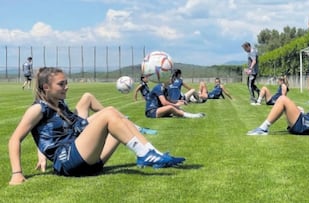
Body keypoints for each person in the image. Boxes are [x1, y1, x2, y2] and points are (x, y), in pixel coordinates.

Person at [8, 67, 185, 185]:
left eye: (66, 83)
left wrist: (42, 154)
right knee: (108, 114)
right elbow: (15, 139)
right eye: (61, 84)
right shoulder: (38, 108)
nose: (66, 87)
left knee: (112, 113)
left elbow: (46, 134)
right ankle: (145, 154)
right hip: (68, 160)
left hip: (87, 161)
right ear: (46, 87)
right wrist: (17, 173)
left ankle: (153, 153)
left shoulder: (60, 104)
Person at [247, 65, 309, 136]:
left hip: (308, 125)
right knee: (291, 104)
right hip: (308, 121)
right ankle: (262, 128)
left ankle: (263, 129)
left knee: (283, 99)